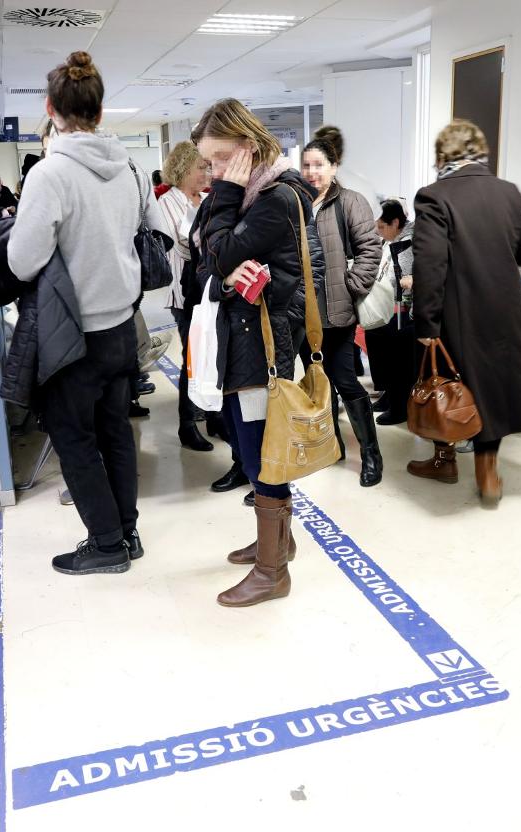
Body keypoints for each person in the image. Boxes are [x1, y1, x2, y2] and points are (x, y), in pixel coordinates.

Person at [8, 51, 170, 576]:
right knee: (116, 432)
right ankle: (127, 533)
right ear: (100, 113)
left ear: (52, 110)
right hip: (123, 327)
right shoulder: (129, 167)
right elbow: (154, 229)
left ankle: (104, 545)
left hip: (73, 336)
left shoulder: (50, 174)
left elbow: (23, 260)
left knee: (75, 440)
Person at [192, 98, 316, 607]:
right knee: (250, 450)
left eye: (221, 158)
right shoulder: (250, 196)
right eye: (209, 163)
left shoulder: (276, 198)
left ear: (247, 149)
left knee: (262, 457)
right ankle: (279, 541)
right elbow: (205, 259)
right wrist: (222, 274)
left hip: (264, 350)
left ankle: (273, 573)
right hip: (242, 345)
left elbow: (216, 252)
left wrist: (224, 194)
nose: (214, 171)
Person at [408, 119, 521, 506]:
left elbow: (430, 263)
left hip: (457, 310)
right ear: (481, 152)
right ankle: (488, 472)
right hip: (506, 310)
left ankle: (444, 459)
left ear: (443, 156)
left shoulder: (434, 196)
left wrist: (426, 322)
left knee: (446, 384)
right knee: (491, 388)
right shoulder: (509, 193)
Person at [299, 126, 384, 487]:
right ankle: (332, 447)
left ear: (334, 166)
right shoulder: (294, 203)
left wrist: (352, 286)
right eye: (306, 165)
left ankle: (371, 456)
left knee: (345, 380)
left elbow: (371, 247)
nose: (311, 172)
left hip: (337, 312)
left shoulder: (350, 202)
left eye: (318, 164)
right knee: (318, 384)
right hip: (302, 313)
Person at [158, 140, 218, 452]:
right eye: (200, 167)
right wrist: (211, 240)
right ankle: (187, 424)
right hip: (185, 292)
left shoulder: (207, 198)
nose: (206, 172)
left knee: (212, 354)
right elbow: (179, 245)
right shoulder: (168, 202)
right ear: (183, 170)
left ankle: (214, 416)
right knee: (193, 357)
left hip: (210, 288)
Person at [363, 198, 416, 426]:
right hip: (393, 304)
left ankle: (400, 403)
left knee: (396, 340)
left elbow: (403, 278)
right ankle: (388, 391)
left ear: (395, 222)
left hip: (411, 309)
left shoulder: (411, 242)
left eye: (382, 227)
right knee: (373, 331)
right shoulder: (389, 240)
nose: (380, 232)